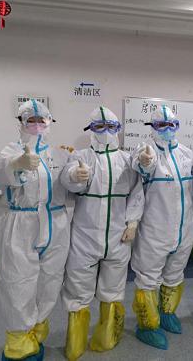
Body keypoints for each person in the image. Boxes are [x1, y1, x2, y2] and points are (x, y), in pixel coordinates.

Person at [60, 106, 144, 361]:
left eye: (111, 127)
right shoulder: (81, 156)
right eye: (99, 127)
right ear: (90, 129)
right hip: (85, 237)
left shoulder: (127, 160)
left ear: (118, 129)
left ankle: (107, 335)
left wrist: (132, 223)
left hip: (118, 237)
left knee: (113, 288)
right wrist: (75, 176)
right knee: (78, 289)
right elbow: (66, 181)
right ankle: (76, 341)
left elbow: (136, 193)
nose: (106, 131)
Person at [0, 99, 72, 361]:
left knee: (50, 279)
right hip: (21, 224)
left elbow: (70, 184)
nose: (37, 125)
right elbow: (1, 174)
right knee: (18, 281)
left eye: (42, 120)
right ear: (21, 122)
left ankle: (37, 331)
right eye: (31, 120)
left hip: (55, 223)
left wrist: (76, 174)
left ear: (49, 122)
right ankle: (18, 343)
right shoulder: (9, 151)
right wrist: (18, 163)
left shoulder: (59, 154)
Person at [130, 105, 193, 350]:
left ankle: (168, 313)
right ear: (152, 127)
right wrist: (144, 162)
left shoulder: (186, 153)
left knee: (174, 274)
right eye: (161, 125)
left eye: (172, 124)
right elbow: (140, 167)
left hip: (184, 228)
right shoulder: (145, 150)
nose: (167, 129)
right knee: (149, 277)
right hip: (155, 229)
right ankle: (148, 325)